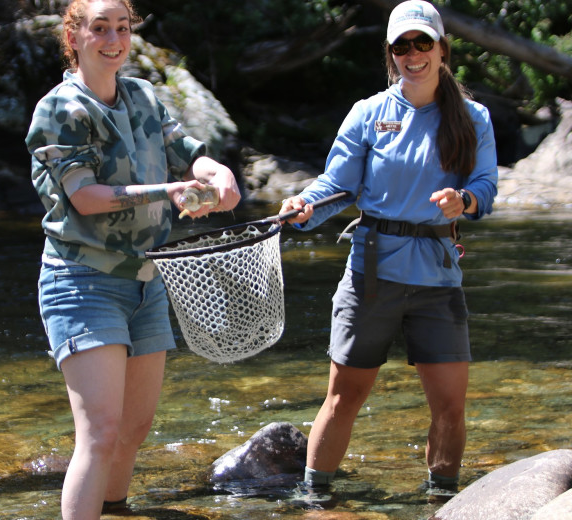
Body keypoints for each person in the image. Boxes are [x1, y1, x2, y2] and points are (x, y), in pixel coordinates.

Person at [24, 1, 241, 518]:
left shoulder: (142, 95)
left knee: (133, 430)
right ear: (73, 37)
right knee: (99, 433)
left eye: (122, 28)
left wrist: (215, 173)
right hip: (82, 282)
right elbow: (86, 197)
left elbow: (184, 148)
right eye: (99, 29)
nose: (113, 40)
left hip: (147, 281)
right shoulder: (58, 110)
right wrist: (167, 190)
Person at [279, 0, 498, 501]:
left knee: (450, 406)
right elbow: (336, 186)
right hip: (370, 274)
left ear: (442, 49)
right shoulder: (368, 114)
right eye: (402, 45)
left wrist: (462, 200)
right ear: (390, 54)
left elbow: (485, 186)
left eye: (424, 43)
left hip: (438, 278)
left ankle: (441, 500)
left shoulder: (473, 117)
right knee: (344, 396)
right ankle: (315, 500)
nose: (413, 54)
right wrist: (305, 204)